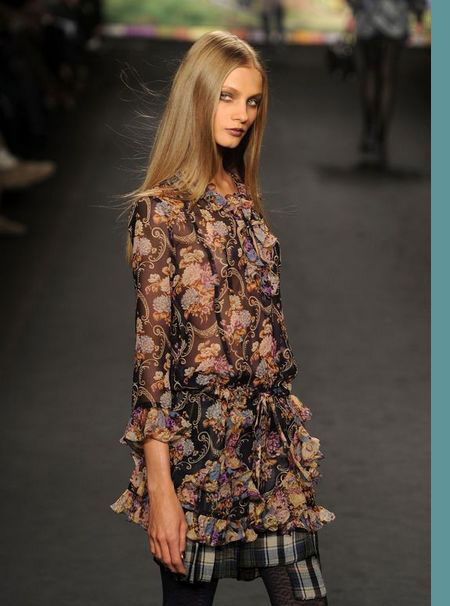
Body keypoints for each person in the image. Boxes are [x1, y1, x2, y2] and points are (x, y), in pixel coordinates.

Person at [110, 30, 336, 606]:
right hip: (198, 455)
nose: (243, 115)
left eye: (253, 101)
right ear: (196, 98)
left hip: (269, 447)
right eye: (227, 97)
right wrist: (161, 490)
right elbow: (152, 362)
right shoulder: (160, 213)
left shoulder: (241, 196)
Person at [347, 0, 427, 168]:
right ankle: (380, 136)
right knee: (388, 77)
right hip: (395, 19)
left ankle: (369, 129)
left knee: (370, 73)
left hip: (368, 18)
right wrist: (419, 14)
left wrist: (354, 10)